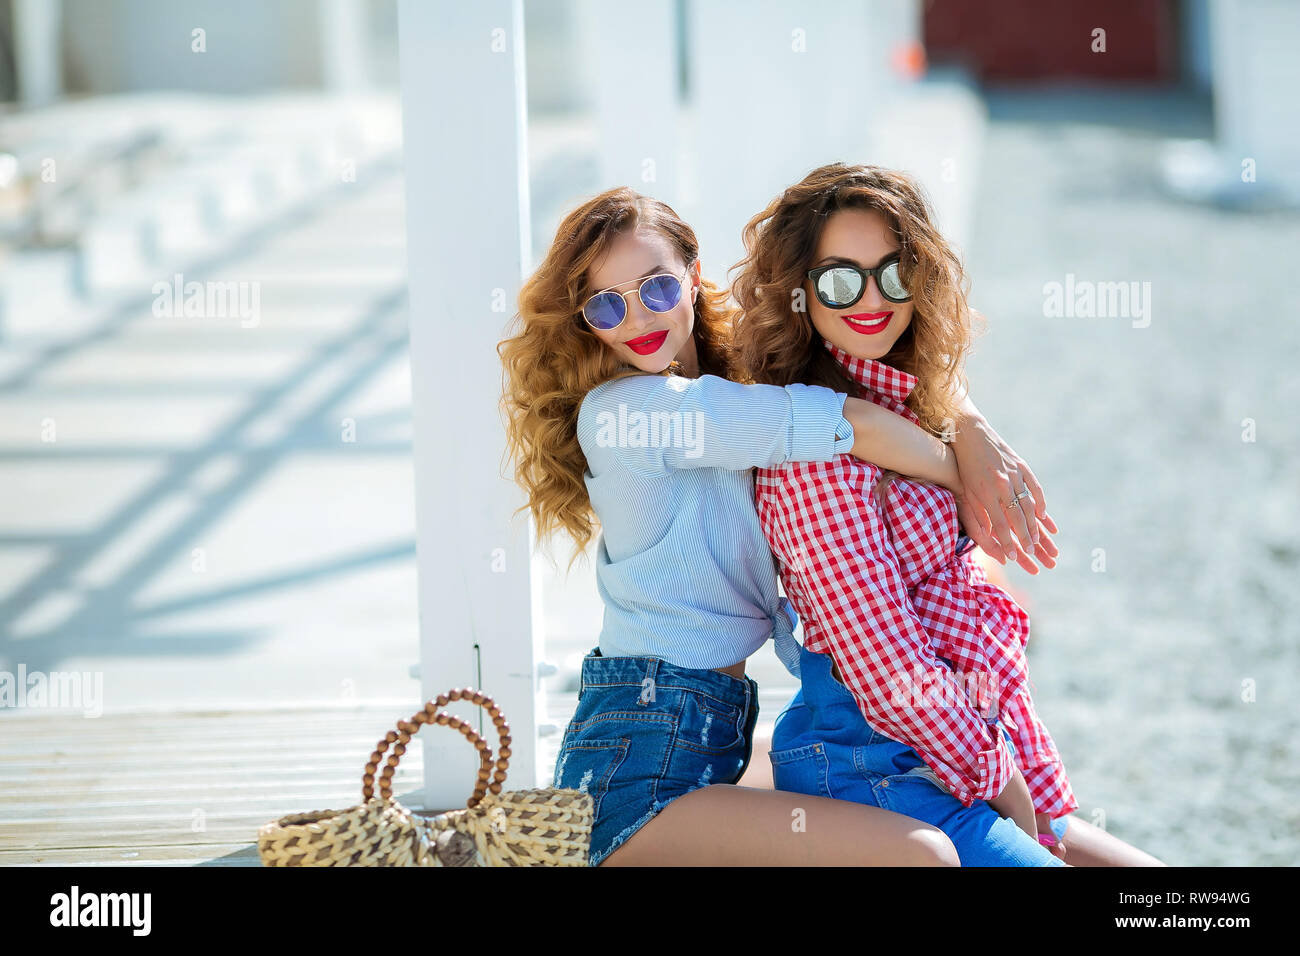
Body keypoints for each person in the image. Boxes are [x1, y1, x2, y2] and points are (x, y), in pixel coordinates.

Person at [498, 186, 1054, 866]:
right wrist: (967, 474)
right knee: (923, 854)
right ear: (587, 321)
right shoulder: (623, 413)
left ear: (693, 274)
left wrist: (970, 421)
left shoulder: (730, 397)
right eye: (608, 304)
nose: (637, 316)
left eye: (657, 287)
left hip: (710, 745)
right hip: (634, 785)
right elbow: (843, 419)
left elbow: (883, 386)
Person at [732, 162, 1164, 866]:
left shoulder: (911, 400)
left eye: (893, 273)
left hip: (961, 738)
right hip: (876, 765)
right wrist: (1009, 788)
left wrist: (966, 423)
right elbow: (892, 673)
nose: (871, 299)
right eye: (841, 279)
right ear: (799, 293)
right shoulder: (814, 450)